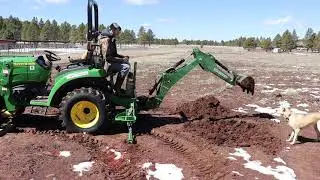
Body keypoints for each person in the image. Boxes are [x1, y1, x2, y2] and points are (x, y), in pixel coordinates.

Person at [99, 23, 130, 95]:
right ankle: (117, 88)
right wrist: (122, 60)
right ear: (113, 30)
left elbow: (114, 54)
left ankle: (115, 86)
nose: (118, 33)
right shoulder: (106, 39)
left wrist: (123, 57)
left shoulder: (112, 39)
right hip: (106, 64)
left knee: (127, 63)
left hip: (109, 61)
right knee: (126, 67)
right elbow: (108, 58)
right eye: (117, 31)